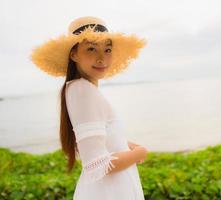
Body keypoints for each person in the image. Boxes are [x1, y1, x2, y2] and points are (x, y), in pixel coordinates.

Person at [30, 16, 148, 200]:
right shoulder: (82, 90)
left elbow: (100, 140)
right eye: (91, 48)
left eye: (107, 49)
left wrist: (128, 145)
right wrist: (140, 153)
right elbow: (97, 164)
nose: (102, 58)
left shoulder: (79, 88)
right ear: (74, 54)